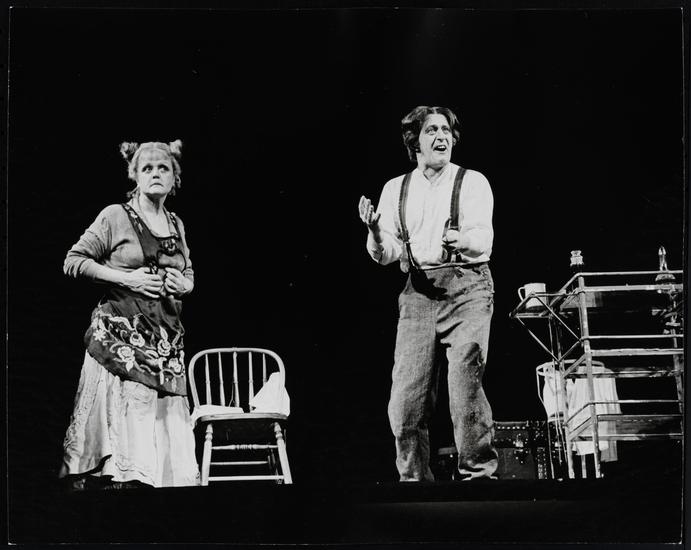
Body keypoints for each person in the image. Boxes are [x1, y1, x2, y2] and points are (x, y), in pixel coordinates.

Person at [358, 106, 498, 481]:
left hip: (467, 286)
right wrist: (374, 231)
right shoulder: (396, 189)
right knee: (405, 402)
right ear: (415, 141)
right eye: (432, 130)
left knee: (464, 383)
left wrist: (461, 240)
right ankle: (415, 484)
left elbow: (483, 239)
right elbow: (387, 253)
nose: (442, 137)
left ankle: (478, 475)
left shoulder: (472, 182)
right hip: (417, 292)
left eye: (447, 131)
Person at [59, 140, 199, 489]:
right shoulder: (115, 216)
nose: (155, 173)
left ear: (175, 177)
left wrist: (183, 284)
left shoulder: (176, 223)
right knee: (121, 454)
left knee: (162, 464)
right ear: (135, 175)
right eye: (147, 168)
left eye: (163, 167)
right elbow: (74, 261)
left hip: (164, 345)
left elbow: (189, 272)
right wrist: (127, 278)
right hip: (121, 340)